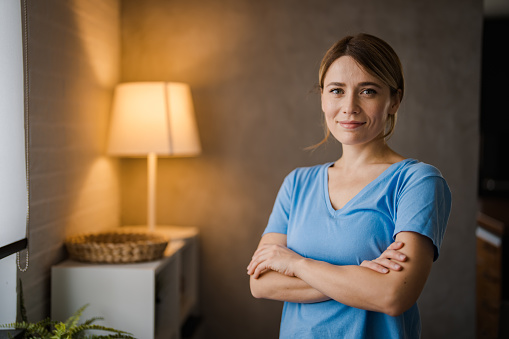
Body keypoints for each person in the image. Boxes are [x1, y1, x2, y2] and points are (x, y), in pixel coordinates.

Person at [247, 33, 452, 339]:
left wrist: (296, 264)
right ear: (322, 98)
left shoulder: (417, 181)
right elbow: (261, 282)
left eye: (368, 91)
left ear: (394, 100)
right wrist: (361, 278)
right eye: (337, 90)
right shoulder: (297, 184)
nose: (349, 106)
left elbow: (393, 296)